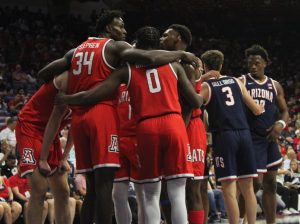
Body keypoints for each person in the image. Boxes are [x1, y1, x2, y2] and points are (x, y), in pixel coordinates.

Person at [38, 10, 198, 224]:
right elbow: (150, 59)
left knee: (102, 190)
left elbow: (44, 73)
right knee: (133, 189)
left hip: (90, 120)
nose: (124, 31)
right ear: (107, 28)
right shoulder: (123, 51)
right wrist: (182, 55)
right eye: (120, 26)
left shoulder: (78, 52)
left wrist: (66, 93)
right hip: (116, 117)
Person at [199, 50, 264, 224]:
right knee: (248, 188)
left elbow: (193, 102)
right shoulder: (236, 81)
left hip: (224, 136)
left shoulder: (206, 86)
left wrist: (201, 79)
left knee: (229, 189)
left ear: (204, 66)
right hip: (244, 133)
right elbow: (257, 109)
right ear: (221, 65)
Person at [160, 24, 213, 224]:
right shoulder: (168, 60)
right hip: (172, 123)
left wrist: (179, 130)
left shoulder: (188, 63)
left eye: (166, 34)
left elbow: (190, 103)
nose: (161, 38)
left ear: (179, 37)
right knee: (165, 184)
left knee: (193, 188)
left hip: (188, 126)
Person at [239, 44, 289, 224]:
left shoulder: (274, 85)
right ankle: (241, 220)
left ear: (265, 63)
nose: (253, 66)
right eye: (250, 63)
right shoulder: (242, 81)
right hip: (250, 139)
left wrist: (280, 124)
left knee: (271, 184)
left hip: (269, 139)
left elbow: (284, 111)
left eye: (257, 63)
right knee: (252, 185)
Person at [16, 71, 72, 224]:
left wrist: (64, 158)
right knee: (39, 189)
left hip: (51, 133)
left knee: (63, 191)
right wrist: (42, 158)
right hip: (30, 127)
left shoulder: (93, 88)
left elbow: (76, 124)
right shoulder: (68, 78)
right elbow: (55, 118)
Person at [112, 83, 146, 224]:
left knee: (143, 194)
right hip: (119, 140)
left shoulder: (141, 81)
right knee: (118, 195)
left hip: (137, 138)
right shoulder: (114, 84)